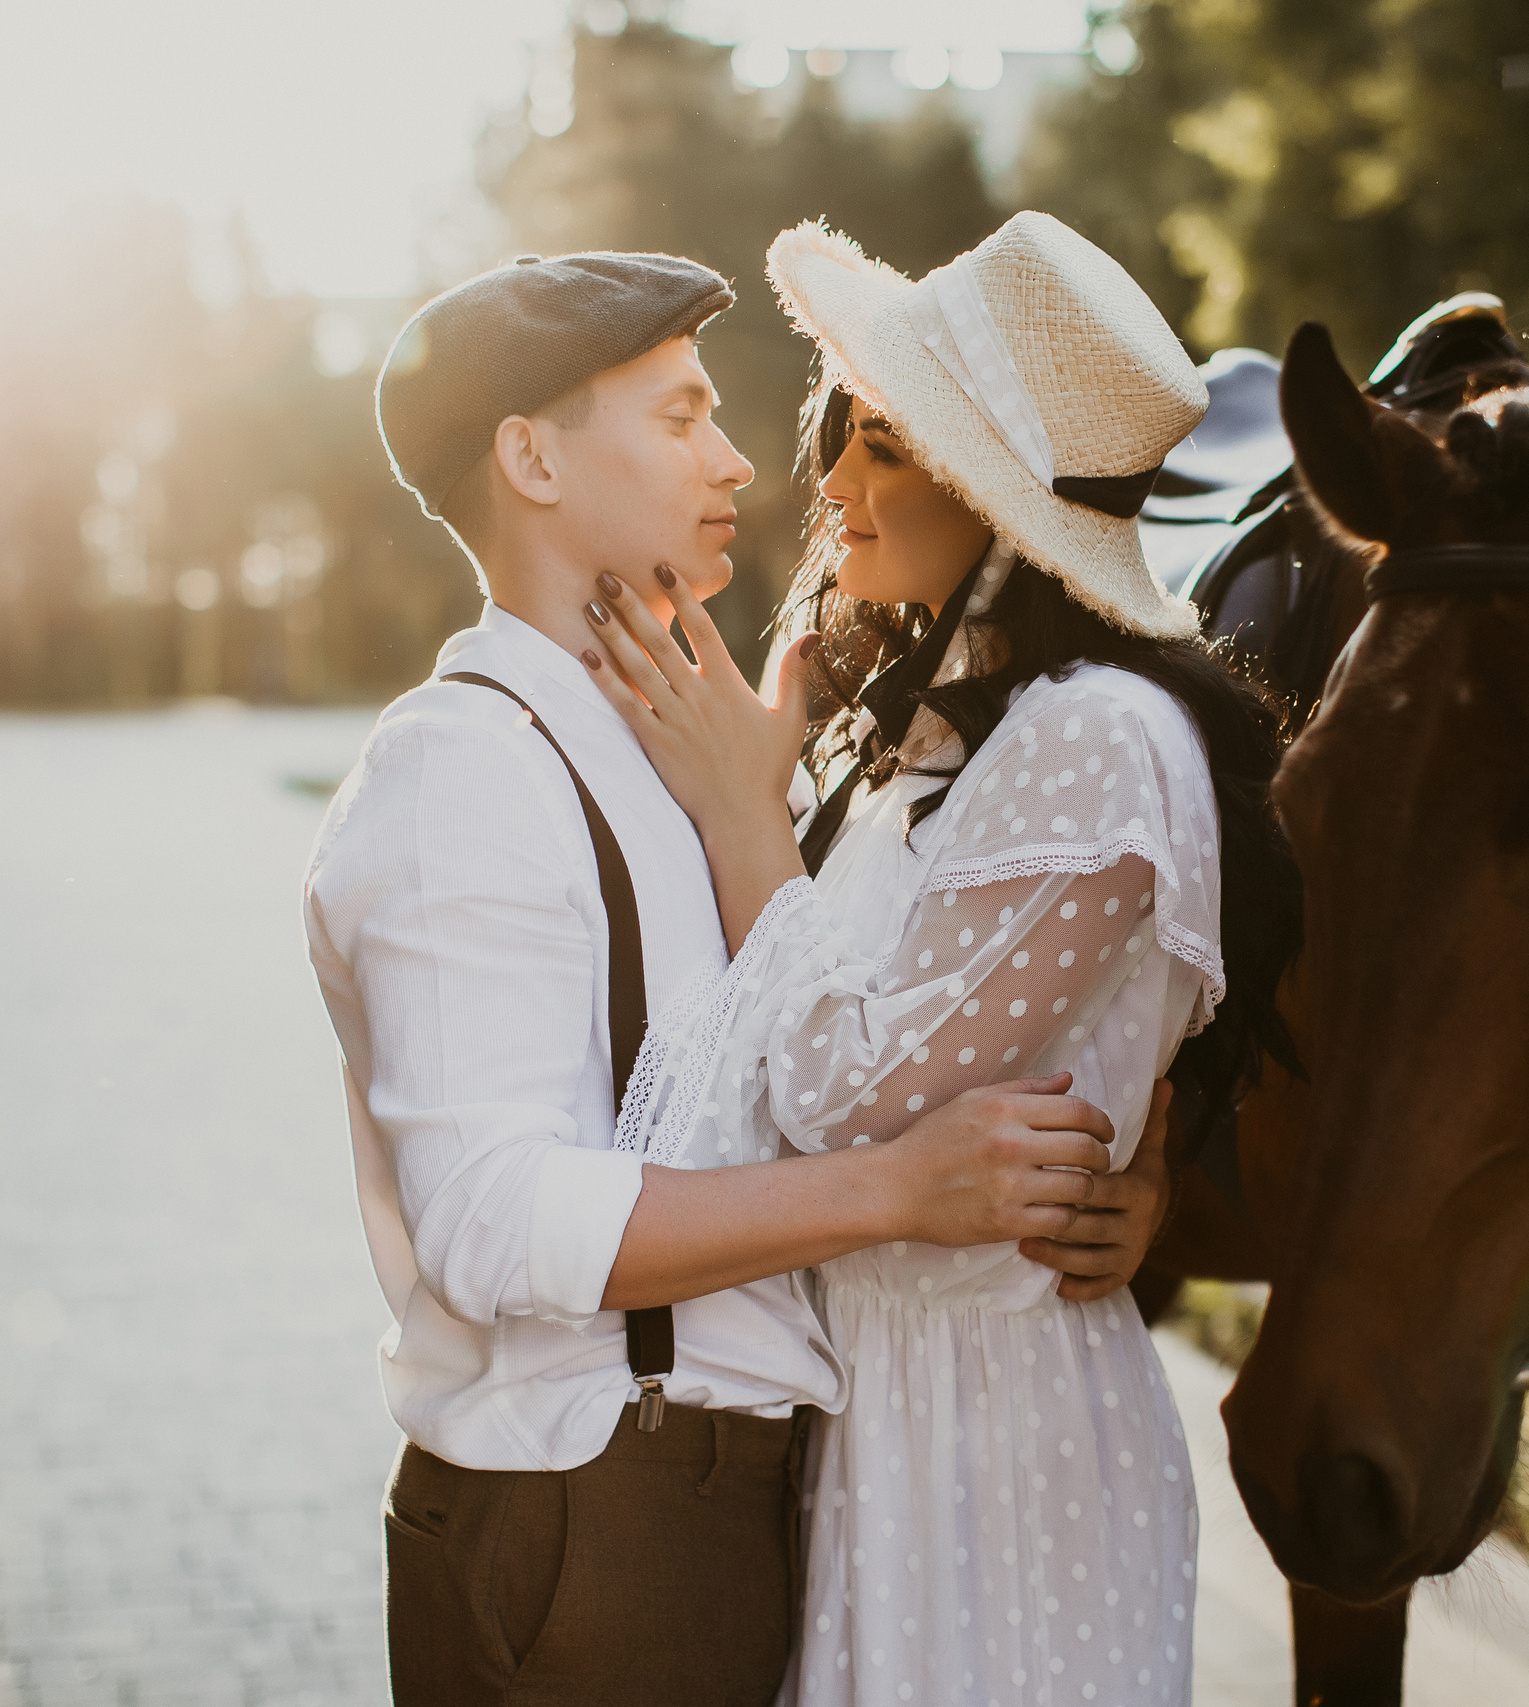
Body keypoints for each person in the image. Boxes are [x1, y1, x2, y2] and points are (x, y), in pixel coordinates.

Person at [303, 249, 1172, 1707]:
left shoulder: (670, 750)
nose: (739, 464)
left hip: (731, 1504)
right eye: (680, 416)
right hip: (596, 1509)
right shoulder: (465, 766)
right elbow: (495, 1221)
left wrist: (1111, 1192)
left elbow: (814, 1062)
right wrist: (903, 1191)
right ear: (529, 457)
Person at [579, 212, 1298, 1707]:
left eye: (886, 446)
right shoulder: (912, 718)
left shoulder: (1099, 741)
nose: (830, 478)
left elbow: (844, 1090)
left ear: (1000, 494)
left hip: (988, 1446)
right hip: (863, 1406)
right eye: (845, 430)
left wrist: (737, 814)